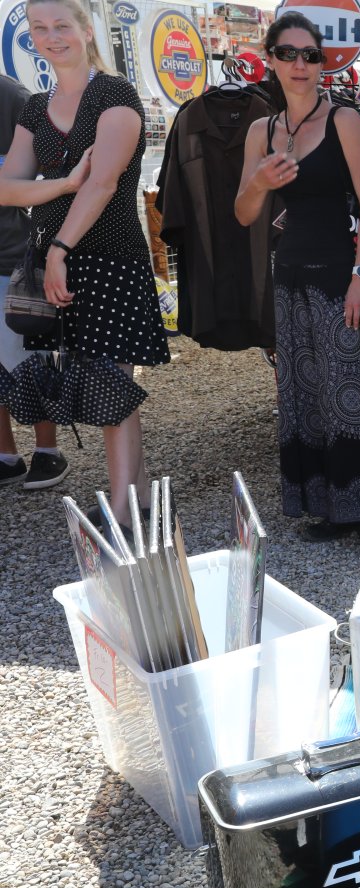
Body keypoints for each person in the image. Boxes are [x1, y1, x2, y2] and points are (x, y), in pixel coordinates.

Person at [235, 13, 360, 558]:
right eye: (288, 53)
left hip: (340, 274)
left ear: (322, 63)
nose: (300, 64)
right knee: (305, 395)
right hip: (289, 276)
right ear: (271, 59)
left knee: (352, 393)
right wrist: (260, 181)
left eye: (311, 55)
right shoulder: (260, 132)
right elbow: (243, 213)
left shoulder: (344, 120)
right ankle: (332, 506)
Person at [0, 0, 167, 531]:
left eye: (61, 25)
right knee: (107, 388)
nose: (51, 36)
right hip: (62, 262)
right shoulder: (36, 107)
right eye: (39, 28)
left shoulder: (114, 93)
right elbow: (6, 188)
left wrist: (58, 248)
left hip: (108, 260)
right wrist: (64, 183)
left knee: (113, 386)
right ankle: (136, 501)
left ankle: (122, 512)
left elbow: (104, 183)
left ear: (86, 29)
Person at [0, 71, 66, 490]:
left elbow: (49, 164)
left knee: (28, 356)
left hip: (11, 255)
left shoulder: (11, 96)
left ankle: (48, 450)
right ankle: (6, 455)